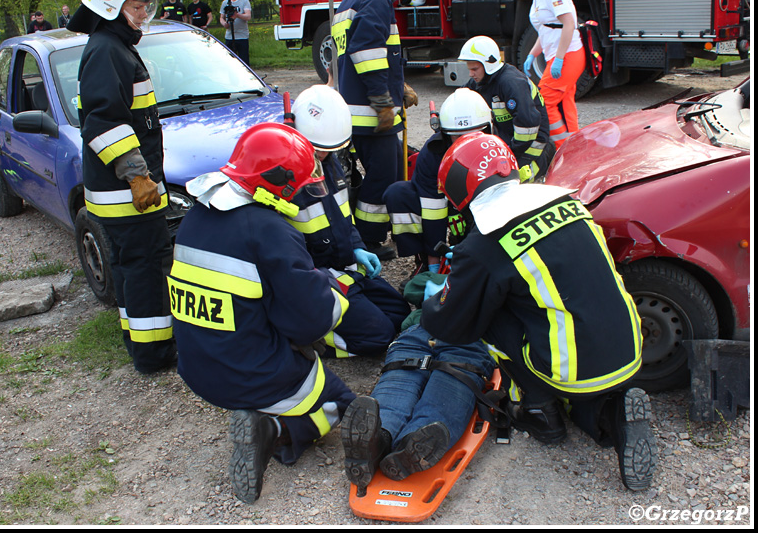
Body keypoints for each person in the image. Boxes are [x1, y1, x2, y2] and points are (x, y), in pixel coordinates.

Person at [421, 133, 656, 491]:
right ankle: (611, 416)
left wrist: (437, 297)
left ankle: (539, 412)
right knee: (539, 306)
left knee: (490, 318)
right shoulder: (568, 202)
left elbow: (453, 323)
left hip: (574, 368)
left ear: (458, 187)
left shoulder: (486, 242)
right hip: (629, 347)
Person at [170, 122, 357, 504]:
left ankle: (263, 416)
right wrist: (335, 290)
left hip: (197, 367)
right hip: (251, 375)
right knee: (343, 404)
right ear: (280, 183)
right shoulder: (270, 230)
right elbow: (310, 322)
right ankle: (273, 430)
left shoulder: (198, 215)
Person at [66, 0, 177, 375]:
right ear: (110, 4)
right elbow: (102, 121)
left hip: (122, 195)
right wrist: (137, 175)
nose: (144, 14)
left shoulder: (112, 47)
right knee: (147, 269)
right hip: (126, 195)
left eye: (147, 5)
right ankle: (155, 355)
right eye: (137, 6)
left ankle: (140, 344)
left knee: (132, 269)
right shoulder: (107, 50)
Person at [288, 85, 410, 358]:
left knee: (399, 313)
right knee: (380, 337)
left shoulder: (328, 160)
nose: (322, 155)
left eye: (328, 150)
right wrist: (323, 279)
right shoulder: (285, 174)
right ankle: (310, 339)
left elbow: (343, 214)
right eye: (318, 149)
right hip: (317, 278)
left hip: (344, 264)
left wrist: (357, 246)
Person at [331, 0, 418, 261]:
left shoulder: (350, 0)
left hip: (356, 111)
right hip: (371, 114)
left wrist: (400, 87)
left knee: (392, 169)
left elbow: (369, 54)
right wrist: (383, 101)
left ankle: (372, 233)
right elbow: (366, 53)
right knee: (383, 177)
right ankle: (367, 240)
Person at [342, 321, 495, 487]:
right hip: (472, 336)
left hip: (419, 329)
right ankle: (411, 445)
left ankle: (379, 437)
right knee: (448, 392)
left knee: (397, 386)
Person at [384, 88, 492, 270]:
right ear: (445, 133)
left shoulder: (496, 148)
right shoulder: (433, 154)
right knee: (398, 194)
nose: (464, 142)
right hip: (444, 206)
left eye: (471, 136)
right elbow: (432, 209)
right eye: (457, 136)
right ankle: (423, 261)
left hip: (480, 211)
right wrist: (434, 260)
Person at [461, 35, 555, 182]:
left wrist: (507, 155)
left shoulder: (511, 83)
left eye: (474, 69)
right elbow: (462, 96)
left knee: (512, 180)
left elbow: (527, 127)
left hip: (531, 144)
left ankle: (545, 161)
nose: (470, 74)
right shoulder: (484, 80)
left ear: (488, 64)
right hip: (509, 139)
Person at [516, 0, 586, 149]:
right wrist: (532, 54)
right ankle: (573, 144)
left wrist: (560, 59)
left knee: (544, 102)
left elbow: (569, 23)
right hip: (561, 55)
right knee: (564, 101)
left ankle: (563, 147)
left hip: (567, 55)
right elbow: (547, 29)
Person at [219, 0, 252, 65]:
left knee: (244, 61)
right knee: (230, 61)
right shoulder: (225, 3)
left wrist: (237, 15)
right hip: (229, 36)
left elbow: (248, 16)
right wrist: (224, 24)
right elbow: (221, 17)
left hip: (242, 36)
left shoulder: (244, 1)